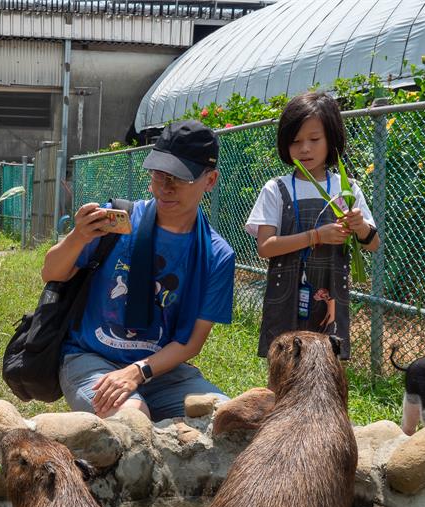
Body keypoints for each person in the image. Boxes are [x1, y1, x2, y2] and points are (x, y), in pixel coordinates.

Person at [42, 120, 236, 421]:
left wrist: (138, 372)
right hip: (91, 358)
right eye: (159, 174)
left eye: (180, 178)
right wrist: (78, 236)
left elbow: (191, 343)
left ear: (210, 181)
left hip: (159, 370)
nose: (165, 187)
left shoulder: (217, 254)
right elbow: (51, 273)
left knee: (225, 417)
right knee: (132, 417)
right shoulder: (117, 221)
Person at [246, 91, 380, 360]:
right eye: (295, 141)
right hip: (286, 295)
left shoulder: (347, 188)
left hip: (330, 294)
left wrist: (360, 227)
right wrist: (316, 236)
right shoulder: (277, 188)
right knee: (284, 366)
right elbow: (265, 247)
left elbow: (373, 244)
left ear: (332, 139)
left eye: (314, 139)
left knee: (327, 368)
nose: (304, 148)